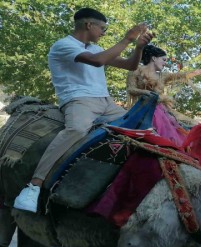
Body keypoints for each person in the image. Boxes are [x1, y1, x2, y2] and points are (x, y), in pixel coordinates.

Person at [13, 7, 154, 213]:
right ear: (89, 25)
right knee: (77, 130)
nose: (104, 33)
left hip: (106, 103)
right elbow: (97, 63)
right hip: (79, 100)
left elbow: (130, 66)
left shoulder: (96, 49)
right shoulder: (63, 45)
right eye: (103, 28)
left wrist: (139, 47)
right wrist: (126, 39)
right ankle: (34, 185)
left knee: (143, 129)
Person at [126, 44, 201, 146]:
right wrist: (147, 92)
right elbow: (131, 89)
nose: (165, 63)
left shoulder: (163, 75)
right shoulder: (135, 70)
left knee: (173, 136)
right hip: (142, 109)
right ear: (154, 58)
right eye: (164, 60)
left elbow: (185, 74)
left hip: (160, 111)